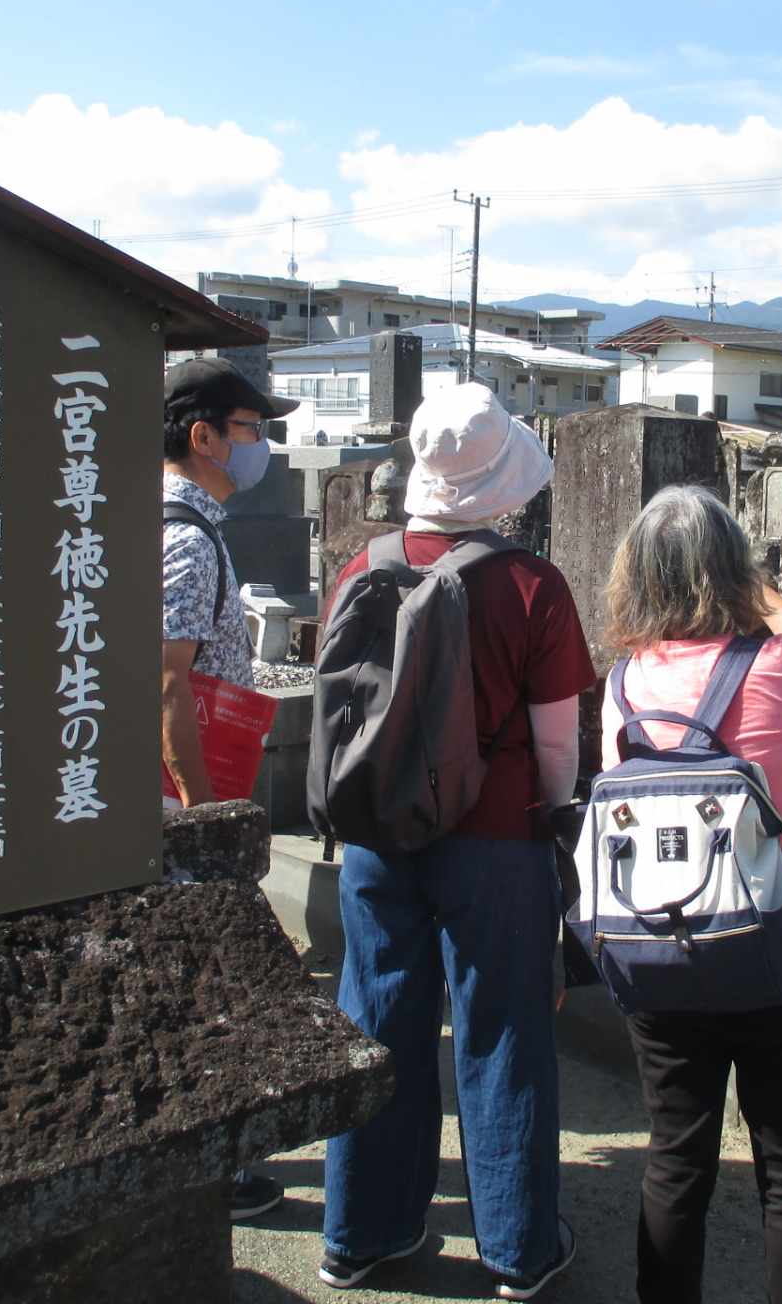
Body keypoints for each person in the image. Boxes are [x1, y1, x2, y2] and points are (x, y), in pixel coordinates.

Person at [318, 383, 593, 1299]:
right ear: (500, 480)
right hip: (496, 834)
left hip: (377, 833)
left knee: (376, 1019)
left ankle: (359, 1234)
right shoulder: (530, 585)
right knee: (502, 1030)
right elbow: (560, 743)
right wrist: (557, 836)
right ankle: (517, 1249)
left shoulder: (364, 569)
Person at [601, 485, 782, 1304]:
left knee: (675, 1157)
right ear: (731, 568)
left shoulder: (626, 687)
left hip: (662, 953)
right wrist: (765, 590)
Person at [161, 356, 298, 1220]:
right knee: (201, 988)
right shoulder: (185, 538)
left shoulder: (168, 523)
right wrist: (207, 810)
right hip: (181, 796)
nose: (262, 446)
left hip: (175, 786)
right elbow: (166, 684)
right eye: (251, 428)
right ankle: (209, 1170)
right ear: (202, 434)